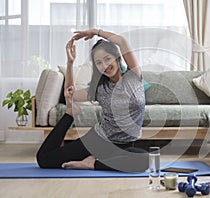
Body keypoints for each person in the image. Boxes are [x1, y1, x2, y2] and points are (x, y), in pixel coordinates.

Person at [36, 29, 148, 172]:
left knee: (144, 160)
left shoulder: (133, 77)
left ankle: (92, 163)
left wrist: (95, 32)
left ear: (118, 58)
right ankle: (70, 114)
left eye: (107, 59)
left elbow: (122, 41)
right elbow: (70, 93)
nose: (105, 65)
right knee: (44, 159)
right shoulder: (100, 89)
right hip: (98, 141)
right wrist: (70, 63)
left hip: (125, 145)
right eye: (99, 63)